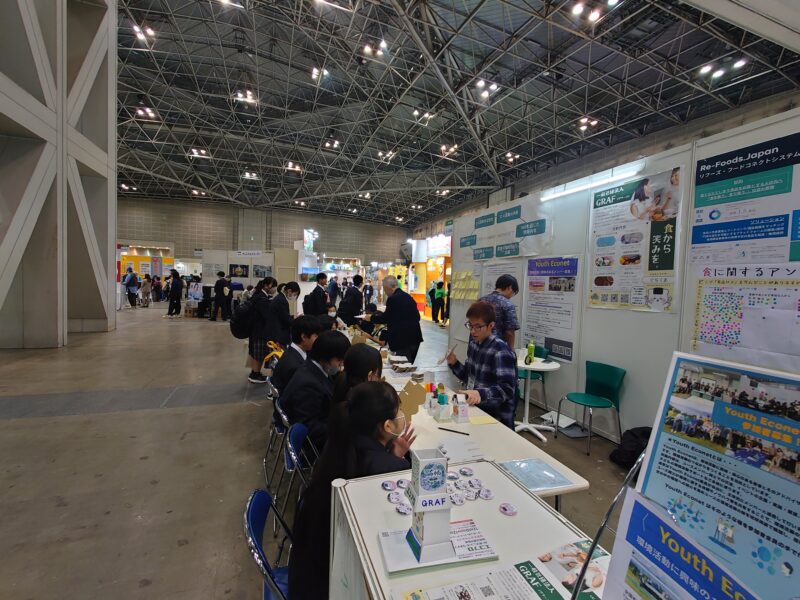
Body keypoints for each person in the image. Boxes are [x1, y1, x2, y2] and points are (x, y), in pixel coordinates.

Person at [288, 380, 416, 599]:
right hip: (340, 584)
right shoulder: (389, 471)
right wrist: (397, 463)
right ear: (387, 426)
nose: (401, 416)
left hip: (309, 574)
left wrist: (391, 457)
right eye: (398, 412)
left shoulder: (338, 447)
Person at [446, 301, 517, 428]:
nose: (473, 331)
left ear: (491, 325)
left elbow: (507, 390)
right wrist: (454, 363)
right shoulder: (474, 344)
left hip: (496, 418)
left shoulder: (500, 351)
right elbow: (468, 377)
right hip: (475, 410)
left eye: (478, 327)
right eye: (470, 325)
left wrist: (480, 394)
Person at [281, 330, 351, 450]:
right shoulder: (309, 385)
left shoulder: (312, 367)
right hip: (314, 446)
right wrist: (343, 426)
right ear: (326, 357)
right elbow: (310, 427)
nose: (341, 365)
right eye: (339, 360)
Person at [365, 275, 423, 363]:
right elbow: (418, 317)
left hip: (403, 339)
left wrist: (371, 318)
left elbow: (386, 318)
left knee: (401, 366)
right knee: (407, 365)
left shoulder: (393, 298)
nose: (385, 292)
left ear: (387, 287)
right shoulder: (408, 297)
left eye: (384, 289)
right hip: (415, 338)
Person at [270, 315, 324, 394]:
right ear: (304, 337)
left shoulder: (294, 352)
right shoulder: (295, 366)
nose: (319, 339)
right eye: (316, 336)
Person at [479, 274, 520, 348]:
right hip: (496, 348)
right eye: (513, 292)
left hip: (477, 344)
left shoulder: (480, 300)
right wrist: (511, 351)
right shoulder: (507, 304)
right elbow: (509, 332)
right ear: (509, 288)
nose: (511, 296)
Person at [246, 278, 274, 384]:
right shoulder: (261, 298)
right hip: (259, 330)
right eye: (272, 285)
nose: (273, 288)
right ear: (266, 286)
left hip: (255, 329)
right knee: (258, 354)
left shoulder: (258, 295)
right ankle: (255, 374)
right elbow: (267, 316)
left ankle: (255, 372)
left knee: (256, 353)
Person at [268, 280, 298, 347]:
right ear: (289, 291)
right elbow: (286, 319)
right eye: (295, 294)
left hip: (277, 334)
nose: (294, 296)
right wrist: (296, 320)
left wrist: (293, 317)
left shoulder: (280, 298)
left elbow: (282, 315)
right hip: (279, 336)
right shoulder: (281, 300)